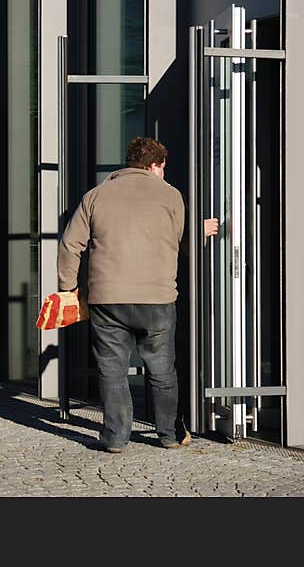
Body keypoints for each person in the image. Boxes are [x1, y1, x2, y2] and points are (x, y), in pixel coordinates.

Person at [57, 137, 218, 452]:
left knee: (111, 368)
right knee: (161, 368)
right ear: (155, 165)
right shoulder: (171, 195)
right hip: (157, 298)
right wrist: (202, 232)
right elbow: (186, 245)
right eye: (163, 168)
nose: (164, 174)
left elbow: (69, 244)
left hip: (107, 298)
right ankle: (170, 435)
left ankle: (116, 437)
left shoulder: (96, 195)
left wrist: (68, 288)